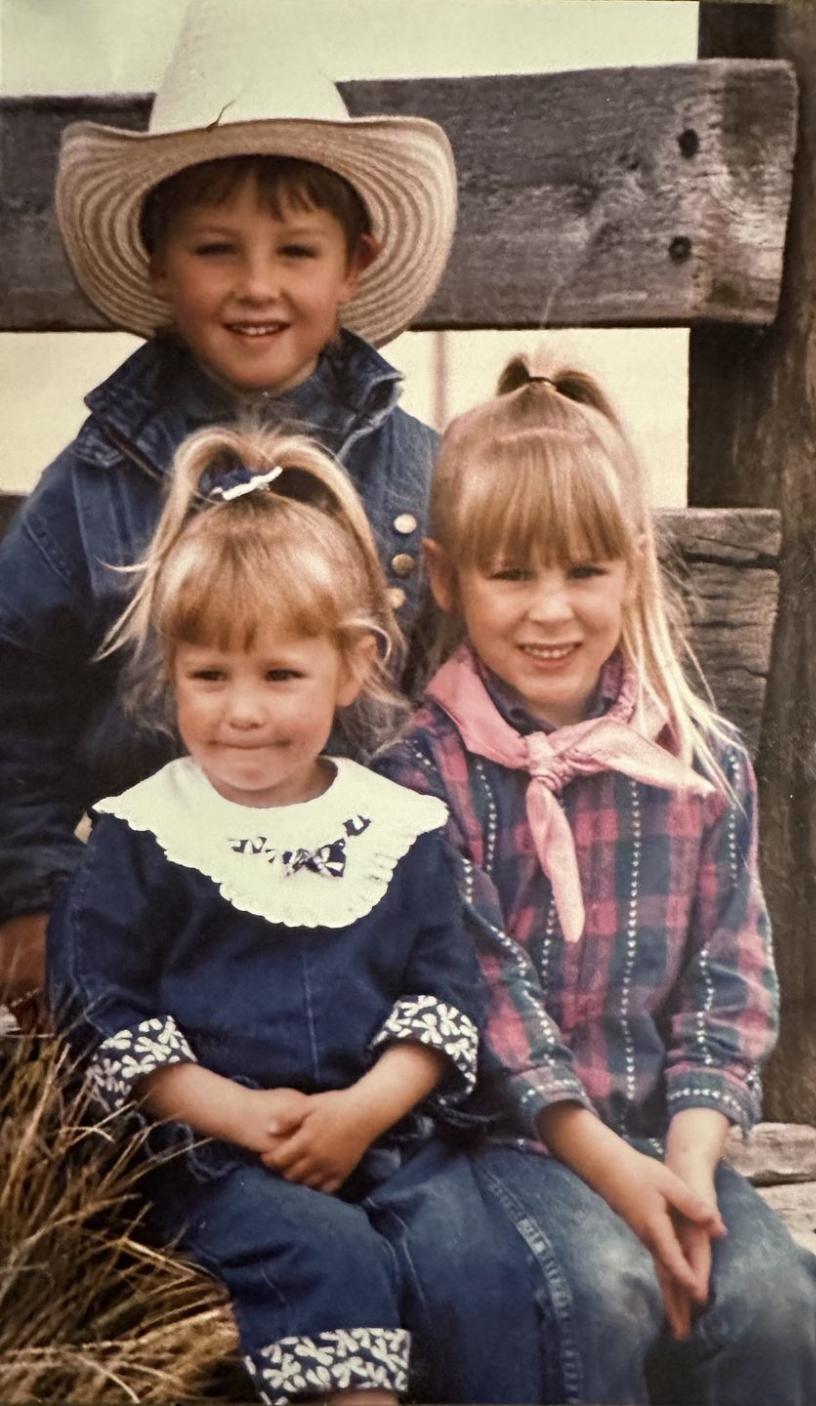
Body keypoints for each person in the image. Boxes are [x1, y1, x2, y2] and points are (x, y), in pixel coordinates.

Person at [46, 423, 550, 1406]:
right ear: (172, 667)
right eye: (210, 676)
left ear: (352, 666)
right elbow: (99, 1004)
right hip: (215, 1156)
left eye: (280, 675)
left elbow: (441, 994)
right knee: (327, 1255)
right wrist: (232, 1109)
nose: (242, 711)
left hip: (390, 1137)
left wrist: (363, 1110)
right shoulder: (146, 831)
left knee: (480, 1264)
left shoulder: (395, 827)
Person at [375, 354, 816, 1406]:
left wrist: (688, 1160)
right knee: (603, 1286)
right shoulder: (420, 774)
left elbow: (732, 981)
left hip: (668, 1134)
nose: (552, 610)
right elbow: (482, 999)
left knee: (771, 1297)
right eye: (512, 573)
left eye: (585, 571)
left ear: (634, 567)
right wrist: (623, 1179)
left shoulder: (699, 763)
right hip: (503, 1142)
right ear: (446, 578)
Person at [0, 0, 456, 1023]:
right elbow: (13, 700)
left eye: (297, 250)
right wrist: (31, 892)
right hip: (152, 914)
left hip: (363, 916)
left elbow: (457, 701)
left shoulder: (415, 475)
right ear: (162, 263)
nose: (258, 286)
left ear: (357, 263)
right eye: (217, 249)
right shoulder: (100, 478)